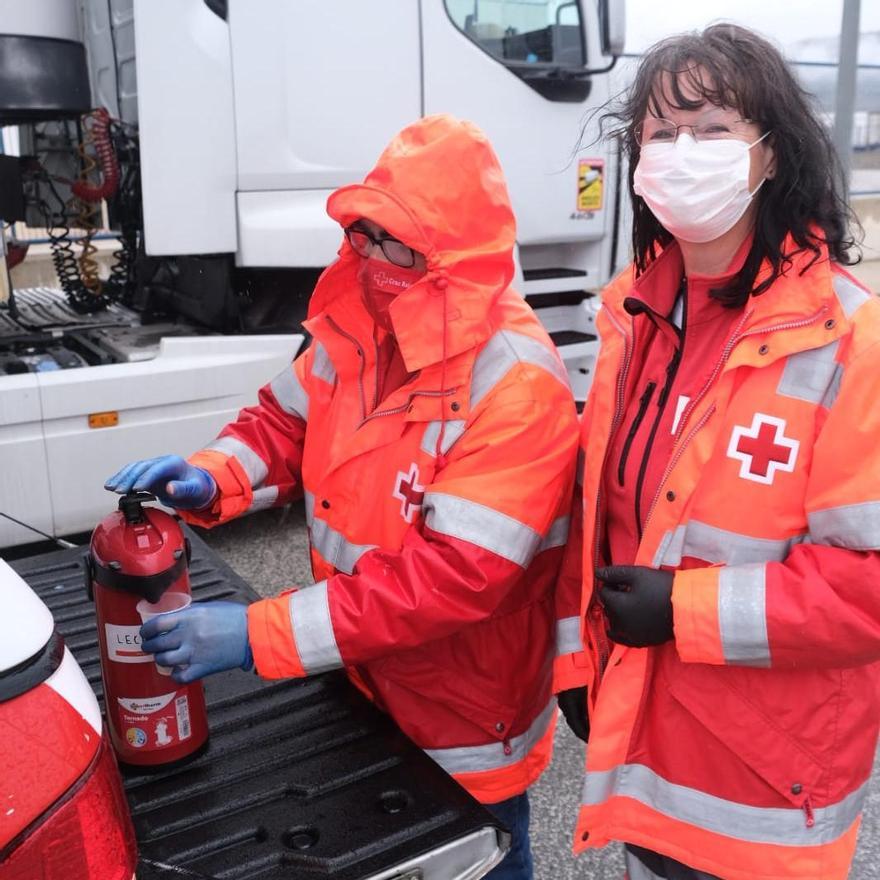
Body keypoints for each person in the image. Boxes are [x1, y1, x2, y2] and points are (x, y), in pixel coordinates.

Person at [106, 114, 579, 879]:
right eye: (363, 233)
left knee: (480, 856)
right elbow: (280, 422)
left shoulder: (515, 388)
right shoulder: (359, 330)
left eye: (394, 241)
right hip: (361, 679)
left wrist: (258, 635)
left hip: (460, 717)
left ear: (451, 257)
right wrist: (210, 476)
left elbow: (447, 582)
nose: (370, 257)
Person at [553, 23, 880, 880]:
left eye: (712, 130)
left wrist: (682, 610)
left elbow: (870, 585)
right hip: (643, 753)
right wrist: (574, 656)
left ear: (770, 156)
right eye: (662, 134)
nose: (682, 153)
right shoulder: (632, 316)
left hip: (767, 788)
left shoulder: (851, 340)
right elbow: (602, 516)